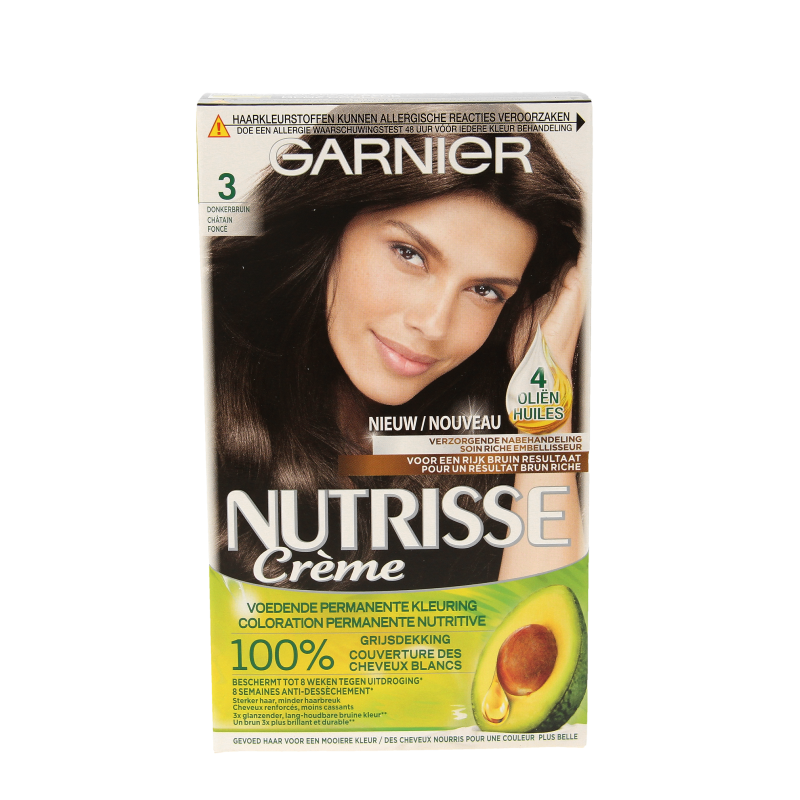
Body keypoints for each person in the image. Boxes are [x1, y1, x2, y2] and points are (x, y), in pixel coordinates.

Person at [210, 115, 586, 590]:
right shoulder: (214, 389)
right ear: (332, 225)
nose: (434, 324)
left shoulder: (491, 435)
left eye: (485, 290)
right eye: (409, 254)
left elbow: (549, 621)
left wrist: (546, 378)